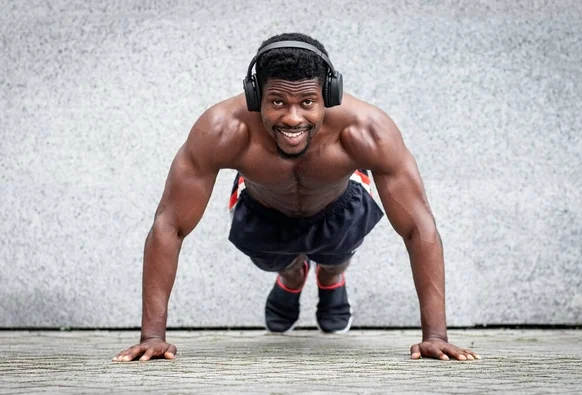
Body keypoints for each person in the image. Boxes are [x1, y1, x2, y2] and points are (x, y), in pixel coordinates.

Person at [113, 32, 480, 362]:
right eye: (277, 102)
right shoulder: (223, 129)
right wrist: (153, 336)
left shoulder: (366, 130)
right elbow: (170, 225)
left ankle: (331, 277)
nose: (292, 118)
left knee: (335, 254)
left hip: (339, 205)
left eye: (307, 102)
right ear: (256, 96)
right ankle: (291, 277)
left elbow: (418, 227)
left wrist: (435, 336)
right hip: (262, 210)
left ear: (329, 96)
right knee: (277, 261)